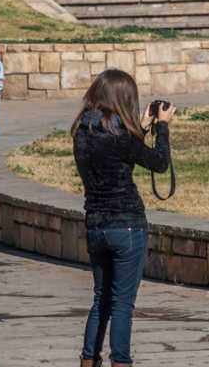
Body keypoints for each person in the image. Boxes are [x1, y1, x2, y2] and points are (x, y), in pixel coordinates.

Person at [72, 69, 175, 367]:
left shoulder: (83, 130)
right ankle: (121, 361)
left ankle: (88, 360)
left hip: (95, 225)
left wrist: (141, 127)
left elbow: (118, 153)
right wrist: (162, 127)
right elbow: (159, 162)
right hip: (126, 225)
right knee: (122, 304)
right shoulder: (120, 137)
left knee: (101, 299)